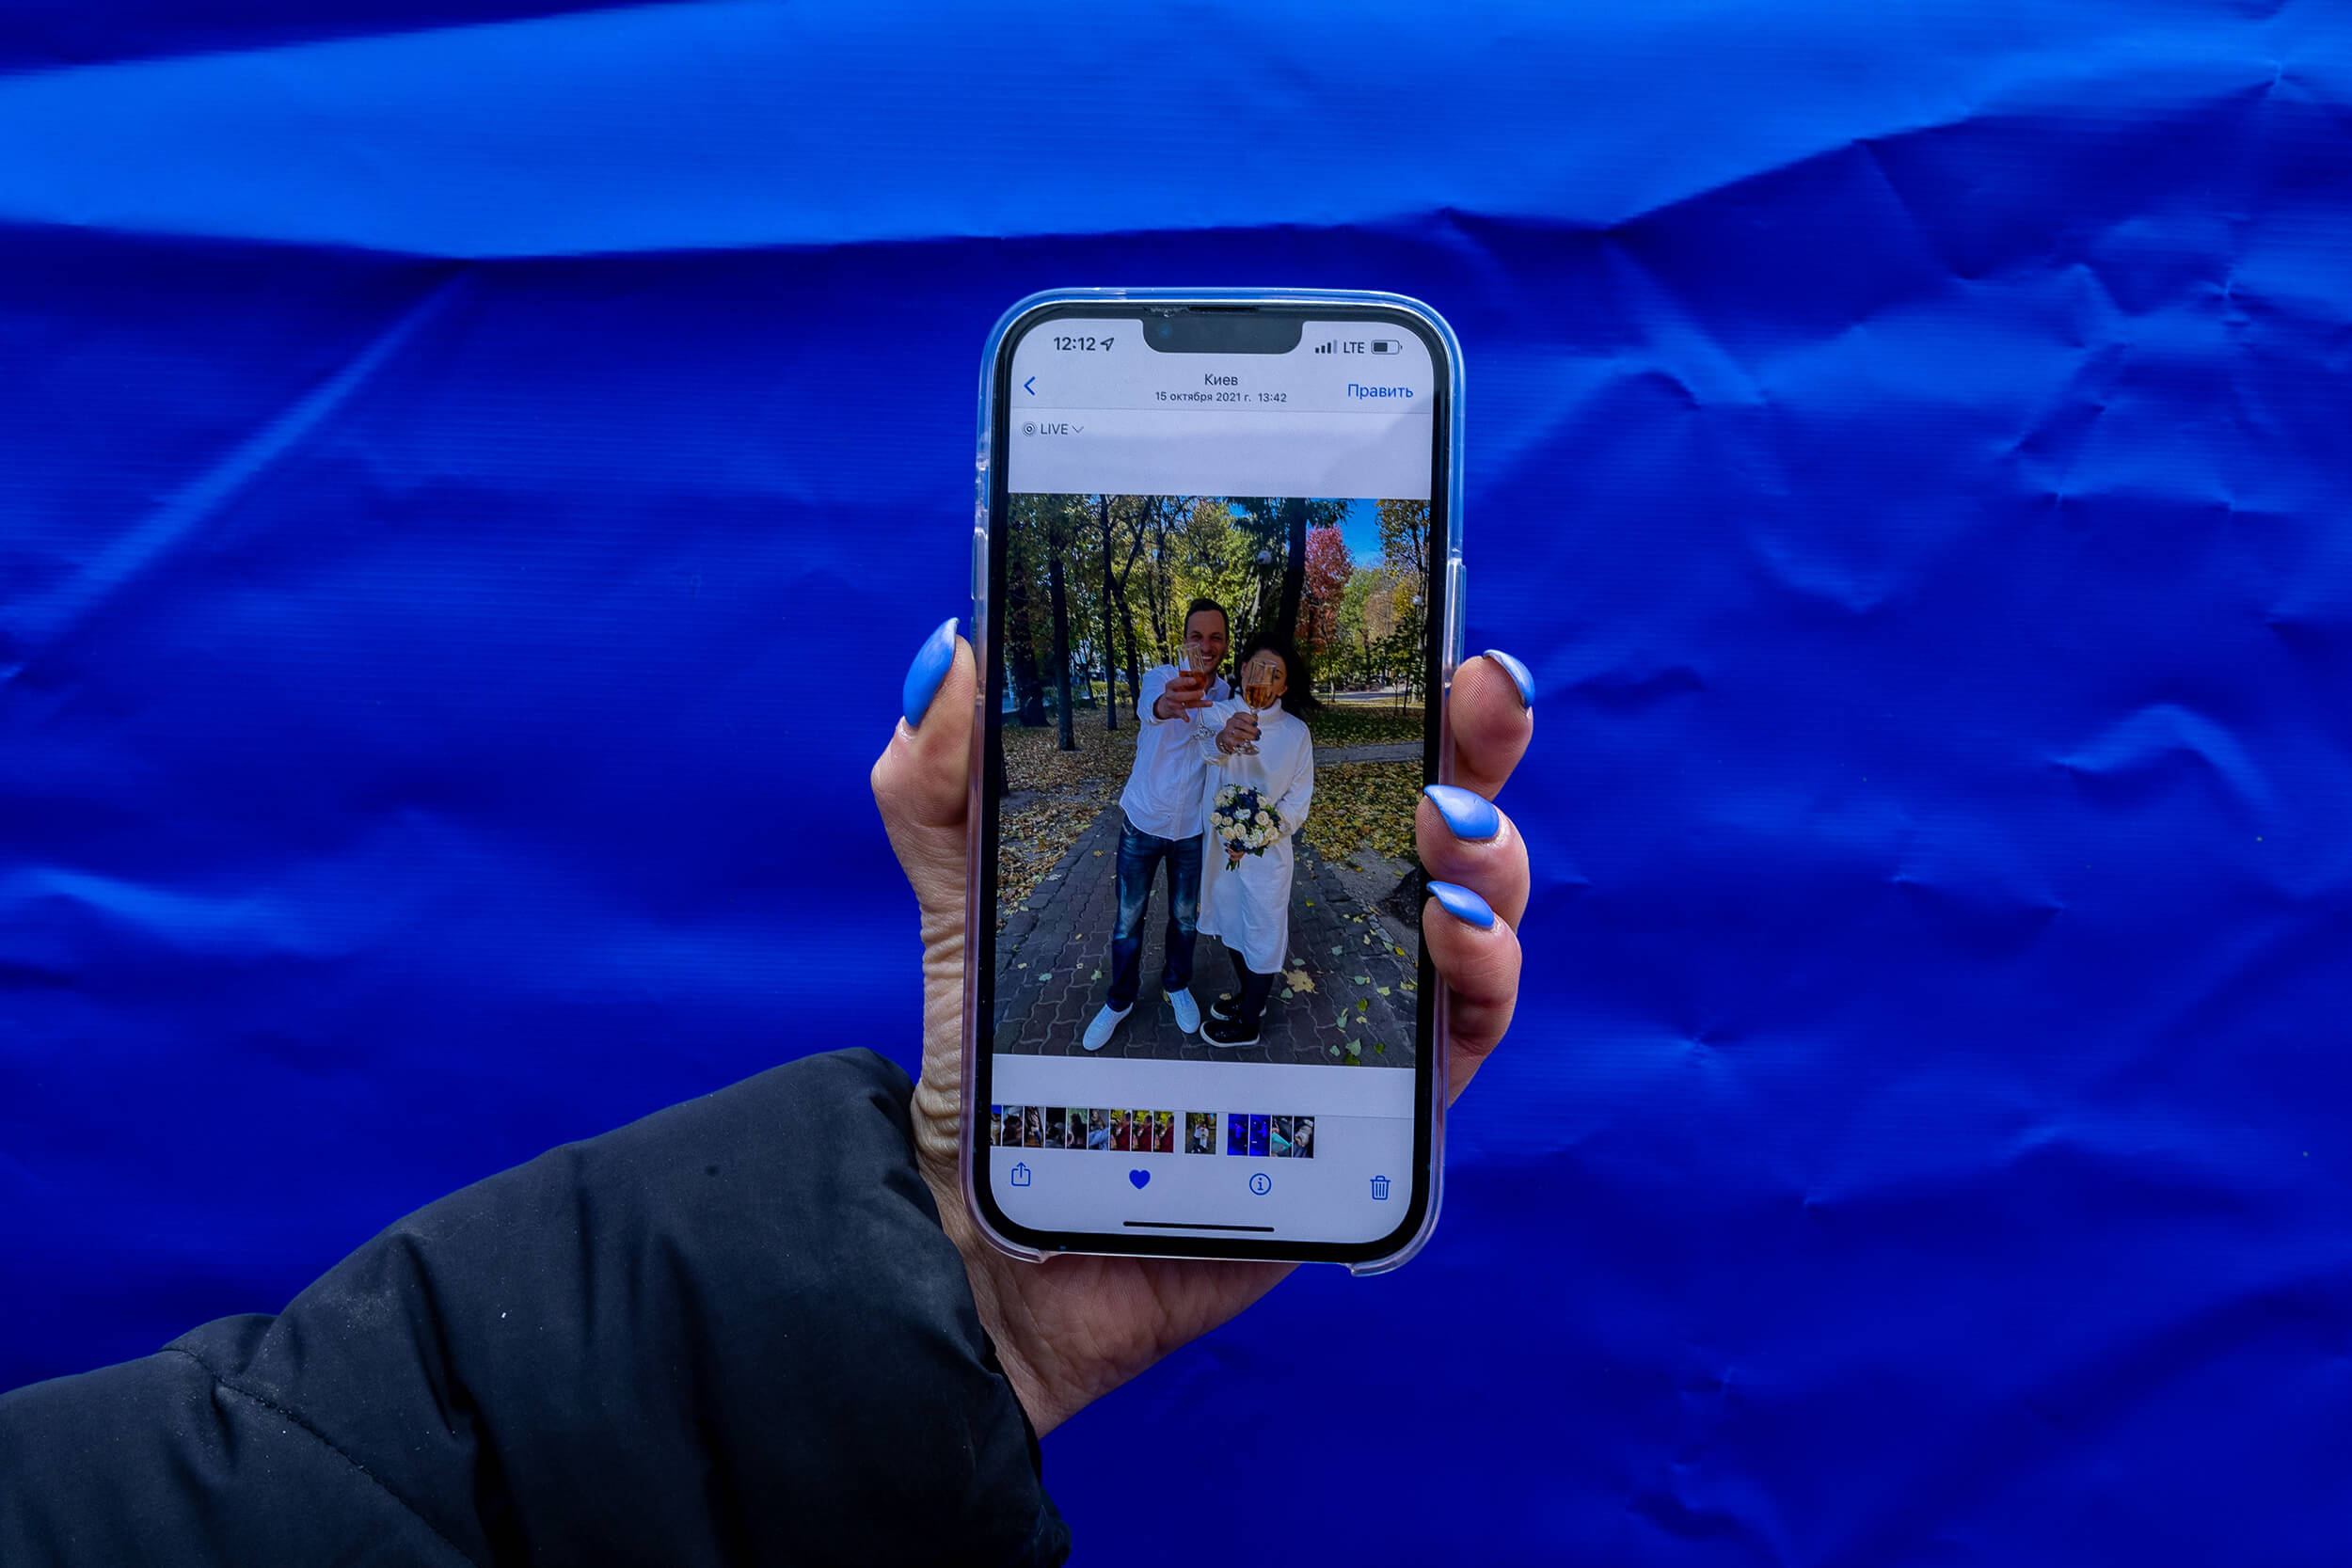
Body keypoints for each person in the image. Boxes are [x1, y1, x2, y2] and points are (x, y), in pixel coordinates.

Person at [0, 621, 1537, 1565]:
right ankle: (1162, 1005)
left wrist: (960, 1291)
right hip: (1151, 832)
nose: (1244, 666)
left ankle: (1217, 1015)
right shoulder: (1174, 690)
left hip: (1227, 860)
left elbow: (275, 1496)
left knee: (1238, 951)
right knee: (1152, 939)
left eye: (1260, 660)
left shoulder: (1269, 721)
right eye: (1241, 654)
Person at [1079, 598, 1232, 1052]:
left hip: (1191, 831)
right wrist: (1168, 704)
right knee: (1128, 919)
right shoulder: (1160, 678)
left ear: (1225, 643)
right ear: (1185, 640)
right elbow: (1152, 706)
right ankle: (1120, 999)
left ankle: (1176, 985)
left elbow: (1223, 751)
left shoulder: (1227, 696)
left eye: (1215, 636)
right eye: (1197, 636)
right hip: (1143, 821)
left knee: (1185, 918)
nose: (1206, 645)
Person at [1194, 637, 1316, 1048]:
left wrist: (1253, 836)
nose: (1263, 679)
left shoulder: (1297, 734)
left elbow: (1297, 805)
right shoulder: (1222, 713)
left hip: (1267, 855)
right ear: (1243, 670)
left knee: (1262, 931)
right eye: (1257, 668)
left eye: (1275, 674)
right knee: (1231, 922)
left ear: (1283, 687)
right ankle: (1251, 999)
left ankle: (1249, 1025)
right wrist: (1224, 740)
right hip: (1220, 850)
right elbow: (1204, 746)